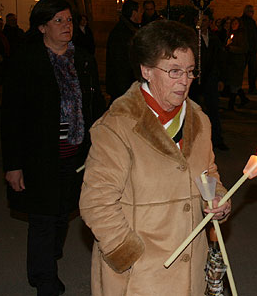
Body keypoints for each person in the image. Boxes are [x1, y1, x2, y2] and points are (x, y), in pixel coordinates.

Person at [79, 19, 230, 296]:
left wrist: (218, 197)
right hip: (140, 277)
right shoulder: (118, 125)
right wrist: (128, 254)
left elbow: (208, 172)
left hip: (191, 274)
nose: (184, 81)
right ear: (146, 70)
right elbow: (96, 201)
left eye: (189, 72)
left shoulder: (200, 121)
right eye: (174, 71)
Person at [2, 0, 105, 296]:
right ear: (42, 27)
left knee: (63, 213)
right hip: (40, 157)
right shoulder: (26, 61)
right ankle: (44, 278)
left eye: (69, 19)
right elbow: (11, 116)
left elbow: (94, 105)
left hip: (76, 155)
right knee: (43, 218)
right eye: (58, 20)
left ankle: (47, 258)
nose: (66, 25)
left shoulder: (83, 59)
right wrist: (13, 164)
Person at [190, 11, 229, 150]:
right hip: (195, 79)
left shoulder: (214, 39)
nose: (202, 23)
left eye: (205, 20)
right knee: (194, 110)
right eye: (200, 20)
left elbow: (220, 60)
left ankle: (217, 139)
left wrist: (221, 79)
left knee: (213, 109)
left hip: (211, 78)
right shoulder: (191, 38)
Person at [106, 0, 143, 102]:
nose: (142, 14)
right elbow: (120, 64)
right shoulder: (122, 33)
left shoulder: (131, 30)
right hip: (123, 87)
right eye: (140, 11)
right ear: (133, 13)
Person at [225, 17, 250, 110]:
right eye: (232, 23)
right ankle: (243, 99)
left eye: (236, 23)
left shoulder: (242, 35)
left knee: (235, 83)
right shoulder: (230, 33)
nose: (234, 25)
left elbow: (243, 48)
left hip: (238, 61)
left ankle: (231, 104)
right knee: (234, 83)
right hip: (231, 61)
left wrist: (231, 48)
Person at [240, 4, 257, 94]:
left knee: (253, 70)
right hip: (245, 50)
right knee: (241, 69)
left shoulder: (252, 22)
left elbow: (255, 35)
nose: (252, 13)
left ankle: (252, 87)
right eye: (250, 12)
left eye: (253, 12)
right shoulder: (242, 21)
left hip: (252, 50)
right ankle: (238, 88)